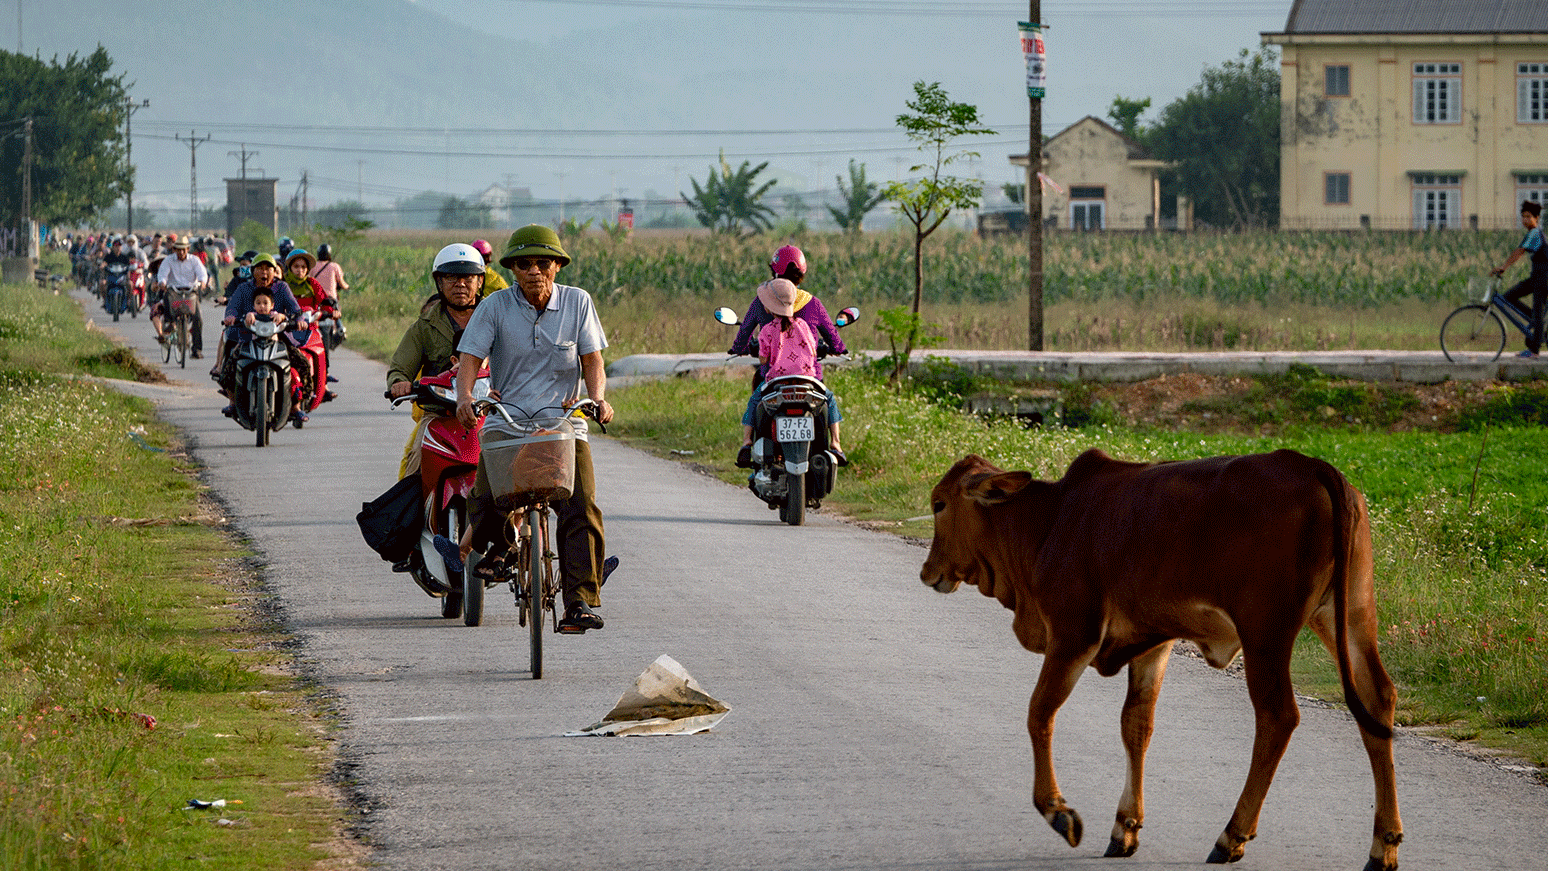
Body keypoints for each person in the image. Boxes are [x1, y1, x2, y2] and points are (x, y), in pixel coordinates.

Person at [451, 224, 614, 634]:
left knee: (582, 506)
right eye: (524, 264)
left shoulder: (578, 303)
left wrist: (596, 398)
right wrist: (466, 398)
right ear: (512, 269)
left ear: (558, 266)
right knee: (488, 502)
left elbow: (593, 360)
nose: (534, 271)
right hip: (508, 423)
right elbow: (469, 357)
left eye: (543, 262)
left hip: (563, 425)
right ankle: (502, 549)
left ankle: (579, 602)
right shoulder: (494, 307)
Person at [729, 244, 846, 467]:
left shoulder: (763, 311)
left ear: (774, 270)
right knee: (829, 399)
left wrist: (739, 348)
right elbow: (831, 339)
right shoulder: (809, 310)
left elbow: (744, 335)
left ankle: (746, 444)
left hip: (773, 381)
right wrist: (838, 348)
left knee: (754, 402)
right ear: (802, 274)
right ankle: (836, 445)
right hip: (809, 379)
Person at [387, 243, 490, 479]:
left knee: (515, 465)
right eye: (451, 277)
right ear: (439, 282)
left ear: (480, 281)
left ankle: (522, 516)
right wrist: (399, 383)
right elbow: (400, 368)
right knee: (415, 466)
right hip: (439, 414)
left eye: (467, 277)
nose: (460, 284)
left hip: (490, 412)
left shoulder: (497, 320)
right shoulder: (423, 327)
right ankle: (417, 516)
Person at [219, 254, 302, 414]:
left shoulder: (282, 287)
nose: (264, 272)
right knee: (229, 366)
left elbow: (295, 308)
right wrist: (231, 317)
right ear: (253, 271)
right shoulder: (244, 288)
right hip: (247, 336)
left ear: (274, 271)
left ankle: (296, 406)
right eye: (260, 268)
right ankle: (233, 401)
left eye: (268, 269)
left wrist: (293, 318)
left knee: (300, 363)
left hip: (277, 336)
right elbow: (232, 306)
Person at [1495, 200, 1548, 359]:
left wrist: (1504, 267)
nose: (1525, 220)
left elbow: (1519, 251)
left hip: (1544, 279)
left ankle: (1534, 352)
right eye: (1523, 217)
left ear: (1537, 217)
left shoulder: (1535, 233)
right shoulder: (1533, 233)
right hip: (1537, 277)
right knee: (1508, 297)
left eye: (1529, 216)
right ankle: (1533, 319)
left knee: (1538, 313)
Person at [155, 238, 210, 358]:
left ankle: (196, 349)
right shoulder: (168, 260)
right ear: (174, 249)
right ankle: (171, 322)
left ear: (188, 249)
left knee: (198, 319)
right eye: (178, 250)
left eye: (183, 250)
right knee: (167, 296)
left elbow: (202, 273)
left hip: (191, 292)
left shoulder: (194, 260)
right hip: (174, 291)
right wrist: (162, 283)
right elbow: (162, 274)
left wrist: (203, 282)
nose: (181, 253)